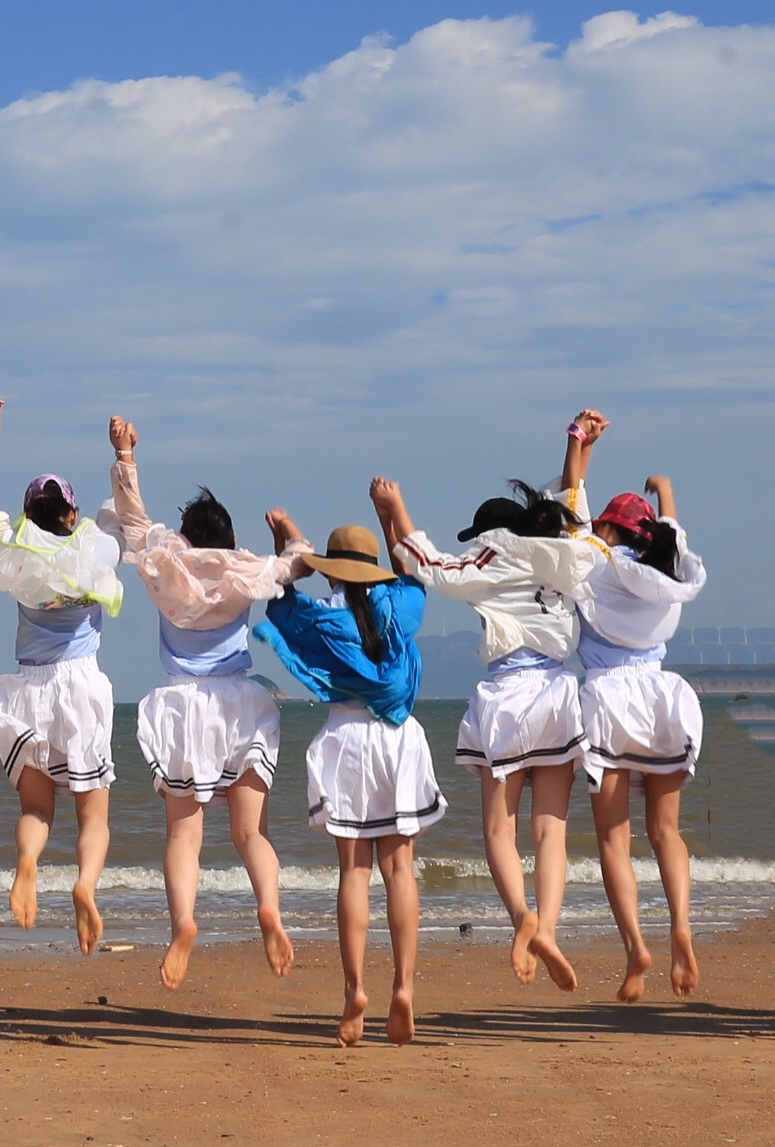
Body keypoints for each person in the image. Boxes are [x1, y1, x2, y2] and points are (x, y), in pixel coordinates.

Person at [378, 460, 597, 991]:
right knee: (552, 830)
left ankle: (522, 917)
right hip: (557, 695)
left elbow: (426, 565)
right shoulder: (564, 555)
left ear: (487, 536)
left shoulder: (491, 559)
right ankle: (547, 926)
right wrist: (576, 449)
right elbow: (575, 505)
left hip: (507, 700)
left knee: (500, 828)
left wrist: (393, 507)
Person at [107, 414, 302, 989]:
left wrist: (125, 454)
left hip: (184, 705)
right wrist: (285, 530)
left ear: (185, 532)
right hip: (241, 702)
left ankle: (184, 926)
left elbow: (132, 516)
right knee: (251, 835)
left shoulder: (165, 565)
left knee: (184, 836)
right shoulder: (244, 571)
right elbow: (296, 562)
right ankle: (269, 908)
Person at [255, 500, 446, 1045]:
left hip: (345, 738)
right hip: (397, 738)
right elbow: (413, 568)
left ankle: (354, 992)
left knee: (354, 874)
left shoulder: (320, 619)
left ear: (332, 569)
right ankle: (404, 988)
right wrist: (391, 515)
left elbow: (281, 598)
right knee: (400, 871)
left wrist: (291, 540)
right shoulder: (399, 607)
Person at [0, 401, 123, 954]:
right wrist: (123, 452)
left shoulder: (17, 552)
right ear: (71, 514)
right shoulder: (93, 547)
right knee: (92, 811)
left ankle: (28, 862)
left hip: (30, 687)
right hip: (82, 684)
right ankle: (84, 883)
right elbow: (124, 513)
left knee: (36, 809)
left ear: (30, 516)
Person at [561, 408, 707, 1002]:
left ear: (613, 532)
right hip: (663, 698)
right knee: (666, 833)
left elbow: (572, 509)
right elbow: (672, 534)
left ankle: (635, 950)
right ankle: (680, 927)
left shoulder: (597, 565)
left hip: (609, 702)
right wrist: (666, 492)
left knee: (613, 840)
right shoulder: (670, 574)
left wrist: (578, 441)